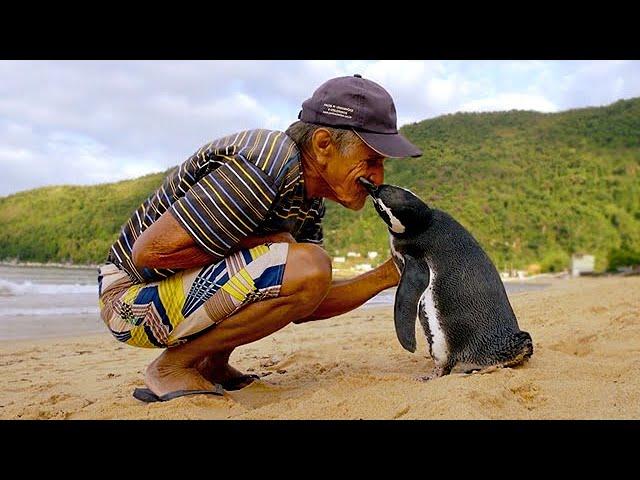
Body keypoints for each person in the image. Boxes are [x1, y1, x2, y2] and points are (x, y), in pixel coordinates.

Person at [97, 74, 422, 402]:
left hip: (165, 295)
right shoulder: (266, 162)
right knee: (304, 260)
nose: (378, 177)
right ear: (324, 145)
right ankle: (172, 366)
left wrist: (388, 274)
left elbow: (304, 298)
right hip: (128, 300)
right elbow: (149, 254)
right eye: (371, 161)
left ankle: (212, 363)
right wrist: (263, 244)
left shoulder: (307, 200)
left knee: (305, 265)